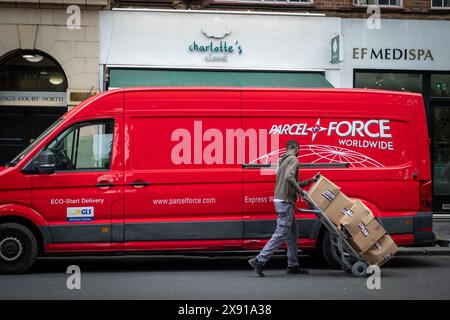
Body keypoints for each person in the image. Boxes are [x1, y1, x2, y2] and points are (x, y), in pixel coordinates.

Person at [248, 140, 319, 277]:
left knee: (293, 234)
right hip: (285, 202)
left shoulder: (282, 160)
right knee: (281, 233)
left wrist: (309, 181)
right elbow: (289, 177)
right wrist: (300, 192)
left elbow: (289, 180)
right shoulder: (294, 160)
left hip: (282, 200)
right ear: (296, 149)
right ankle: (259, 260)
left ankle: (293, 265)